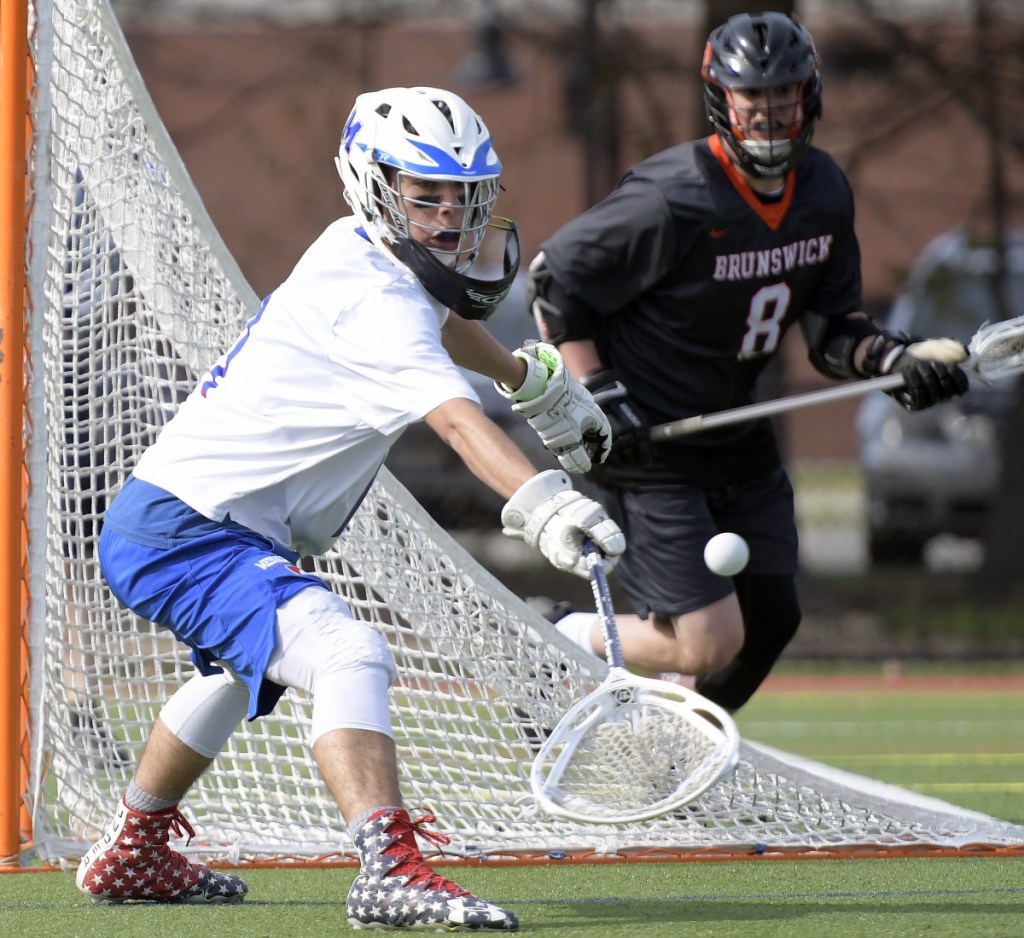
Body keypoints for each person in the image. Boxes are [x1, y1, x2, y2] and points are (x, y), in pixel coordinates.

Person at [76, 86, 624, 931]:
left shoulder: (363, 252)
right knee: (347, 651)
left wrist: (530, 383)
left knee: (231, 676)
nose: (451, 217)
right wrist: (544, 502)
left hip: (188, 516)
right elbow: (450, 418)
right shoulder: (375, 303)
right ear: (376, 185)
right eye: (426, 193)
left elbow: (438, 323)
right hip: (187, 530)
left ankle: (134, 847)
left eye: (465, 197)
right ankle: (387, 865)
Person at [525, 12, 968, 713]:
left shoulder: (822, 192)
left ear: (809, 97)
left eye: (783, 96)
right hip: (650, 443)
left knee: (771, 624)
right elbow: (554, 280)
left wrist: (896, 360)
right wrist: (599, 390)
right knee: (704, 640)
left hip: (737, 439)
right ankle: (554, 633)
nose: (767, 114)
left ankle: (674, 754)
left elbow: (832, 335)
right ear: (720, 101)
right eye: (750, 98)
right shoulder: (673, 195)